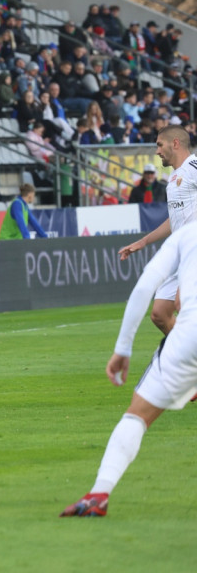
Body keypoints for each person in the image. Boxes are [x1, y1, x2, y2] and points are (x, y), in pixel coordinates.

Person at [60, 219, 197, 517]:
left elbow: (146, 285)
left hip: (188, 340)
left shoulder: (186, 234)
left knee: (137, 415)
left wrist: (123, 348)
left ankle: (99, 494)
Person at [118, 126, 197, 335]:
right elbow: (175, 220)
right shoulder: (173, 179)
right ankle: (188, 359)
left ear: (176, 143)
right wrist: (142, 242)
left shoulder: (193, 167)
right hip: (179, 254)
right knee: (160, 314)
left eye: (160, 145)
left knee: (182, 304)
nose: (157, 151)